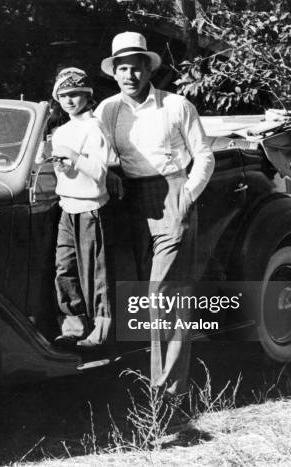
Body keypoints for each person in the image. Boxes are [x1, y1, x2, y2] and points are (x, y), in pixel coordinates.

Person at [94, 32, 215, 394]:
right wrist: (112, 174)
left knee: (163, 294)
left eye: (136, 68)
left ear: (148, 70)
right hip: (130, 201)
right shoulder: (108, 109)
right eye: (123, 69)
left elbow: (204, 155)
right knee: (138, 294)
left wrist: (188, 195)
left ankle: (166, 393)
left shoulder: (177, 105)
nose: (129, 76)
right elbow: (96, 150)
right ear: (114, 73)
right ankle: (147, 380)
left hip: (173, 195)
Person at [50, 67, 116, 348]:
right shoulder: (60, 131)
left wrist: (75, 158)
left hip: (91, 208)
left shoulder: (94, 127)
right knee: (65, 268)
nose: (68, 100)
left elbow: (99, 172)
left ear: (88, 96)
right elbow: (63, 173)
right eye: (63, 95)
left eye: (75, 94)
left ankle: (101, 330)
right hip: (67, 208)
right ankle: (74, 325)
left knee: (95, 274)